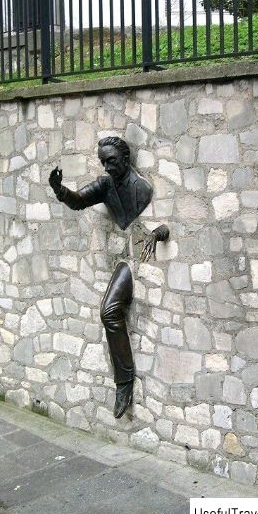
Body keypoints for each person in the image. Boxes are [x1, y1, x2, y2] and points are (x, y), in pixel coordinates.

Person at [49, 137, 169, 418]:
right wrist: (60, 190)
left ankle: (124, 382)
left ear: (126, 160)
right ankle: (124, 381)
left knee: (109, 312)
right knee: (108, 312)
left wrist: (155, 233)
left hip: (137, 259)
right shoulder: (105, 185)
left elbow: (160, 226)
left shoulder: (142, 188)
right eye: (103, 161)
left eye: (111, 161)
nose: (106, 166)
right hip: (124, 259)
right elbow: (79, 201)